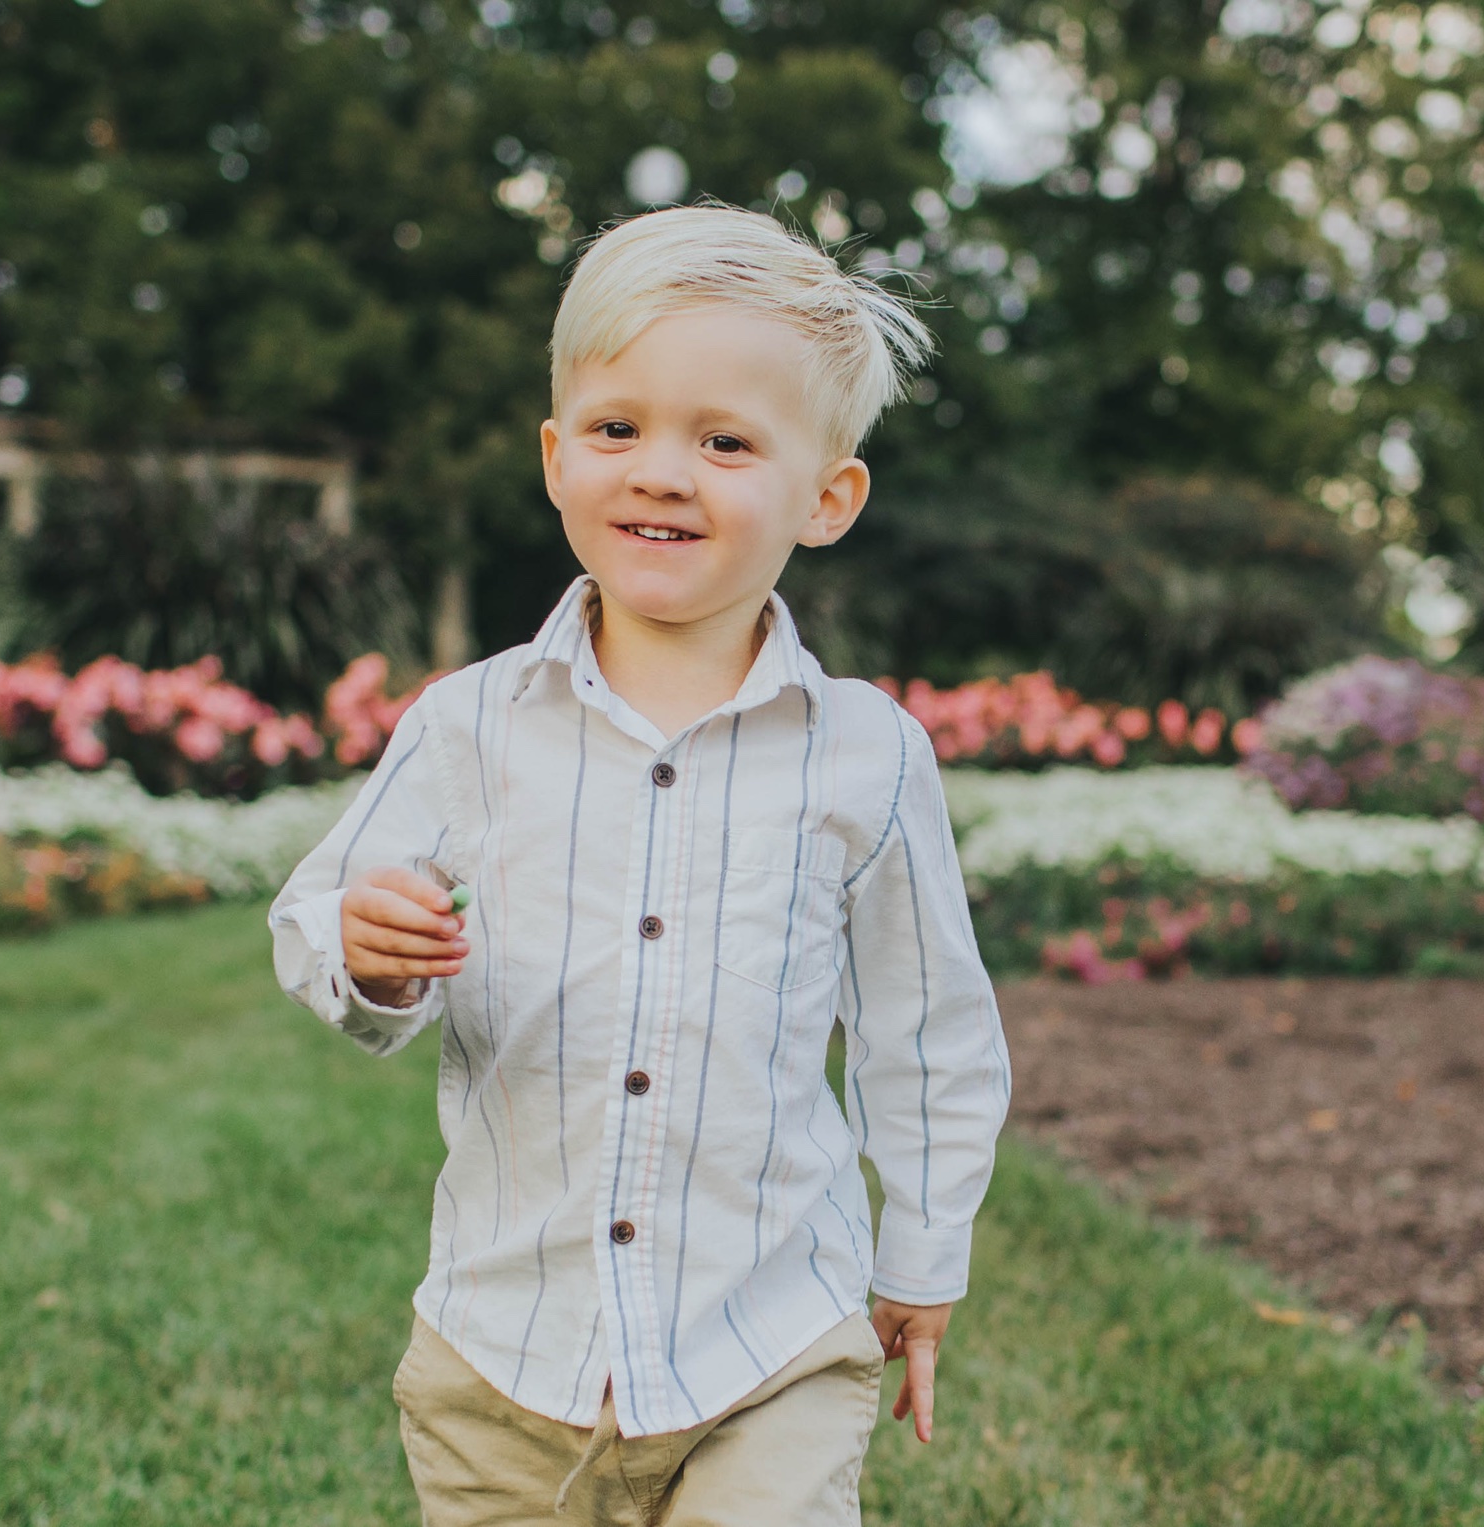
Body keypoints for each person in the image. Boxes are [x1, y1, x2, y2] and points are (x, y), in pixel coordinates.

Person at [269, 204, 1012, 1526]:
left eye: (725, 441)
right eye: (619, 429)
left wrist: (924, 1257)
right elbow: (319, 918)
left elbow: (927, 1025)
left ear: (827, 497)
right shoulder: (471, 725)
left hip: (770, 1341)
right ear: (558, 459)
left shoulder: (865, 756)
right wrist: (370, 957)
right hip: (504, 1362)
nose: (663, 472)